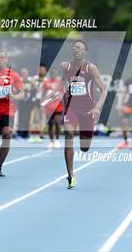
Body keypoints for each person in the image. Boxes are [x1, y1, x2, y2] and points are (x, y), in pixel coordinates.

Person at [45, 40, 107, 189]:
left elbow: (104, 90)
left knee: (85, 147)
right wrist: (56, 92)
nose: (77, 50)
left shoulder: (91, 68)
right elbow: (63, 82)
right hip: (72, 108)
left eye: (80, 48)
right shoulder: (66, 66)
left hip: (88, 109)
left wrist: (98, 107)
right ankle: (70, 176)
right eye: (75, 47)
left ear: (85, 51)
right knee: (68, 136)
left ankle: (84, 142)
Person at [42, 68, 63, 149]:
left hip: (58, 105)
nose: (53, 75)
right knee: (50, 123)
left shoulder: (60, 82)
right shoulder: (46, 82)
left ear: (56, 74)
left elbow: (63, 93)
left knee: (57, 122)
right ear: (49, 74)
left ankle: (57, 140)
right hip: (48, 106)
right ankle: (51, 141)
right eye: (51, 73)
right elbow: (43, 93)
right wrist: (42, 103)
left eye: (54, 73)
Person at [29, 65, 47, 142]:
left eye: (43, 70)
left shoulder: (46, 80)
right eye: (40, 70)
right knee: (32, 116)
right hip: (34, 100)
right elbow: (31, 88)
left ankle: (41, 133)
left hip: (42, 100)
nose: (41, 71)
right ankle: (29, 133)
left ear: (45, 71)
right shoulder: (34, 79)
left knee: (42, 117)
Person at [17, 68, 34, 140]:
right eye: (23, 73)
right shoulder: (19, 81)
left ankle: (26, 134)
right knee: (21, 118)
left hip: (29, 103)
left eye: (25, 73)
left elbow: (34, 89)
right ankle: (20, 134)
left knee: (27, 118)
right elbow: (16, 89)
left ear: (28, 74)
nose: (24, 74)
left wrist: (32, 87)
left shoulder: (30, 81)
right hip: (21, 102)